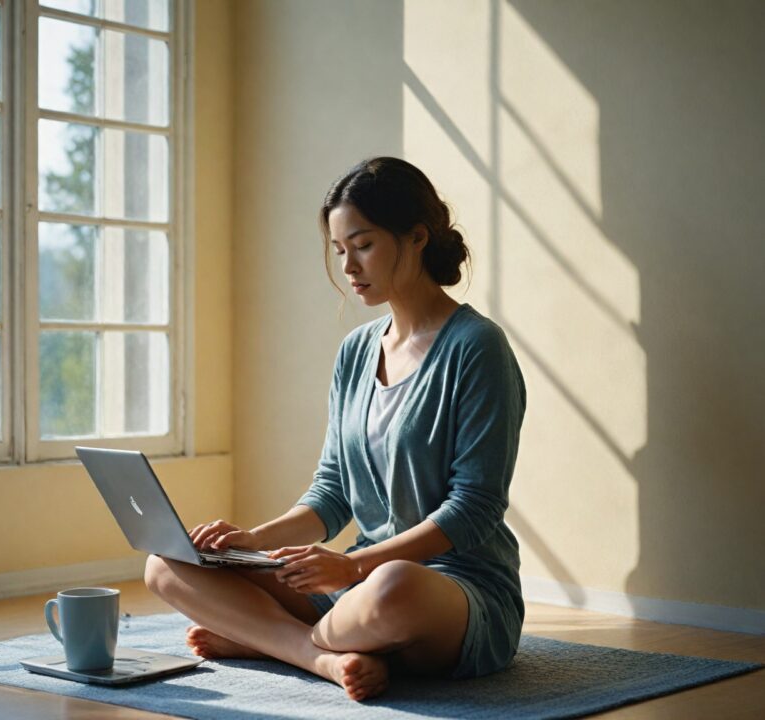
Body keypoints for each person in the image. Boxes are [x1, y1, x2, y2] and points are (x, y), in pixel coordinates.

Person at [144, 156, 526, 702]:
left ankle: (268, 640)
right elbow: (333, 493)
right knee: (167, 565)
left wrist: (351, 566)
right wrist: (251, 542)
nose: (349, 267)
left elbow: (475, 509)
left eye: (363, 245)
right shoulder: (355, 351)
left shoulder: (477, 348)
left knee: (395, 584)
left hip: (449, 589)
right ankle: (319, 656)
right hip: (354, 588)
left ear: (417, 237)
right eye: (339, 250)